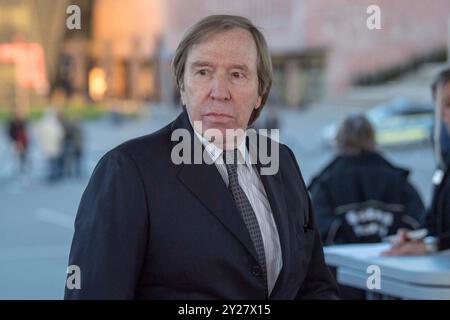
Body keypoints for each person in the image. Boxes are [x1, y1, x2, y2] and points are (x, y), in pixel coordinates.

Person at [65, 15, 338, 300]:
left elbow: (315, 284)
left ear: (260, 93)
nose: (219, 93)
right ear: (182, 87)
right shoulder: (127, 171)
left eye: (237, 74)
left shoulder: (281, 161)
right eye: (203, 72)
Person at [309, 114, 425, 299]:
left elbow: (315, 234)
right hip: (393, 282)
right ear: (372, 139)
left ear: (339, 141)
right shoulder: (398, 179)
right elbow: (419, 227)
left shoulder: (324, 184)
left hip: (341, 284)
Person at [384, 68, 450, 255]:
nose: (445, 115)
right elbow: (435, 221)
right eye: (442, 105)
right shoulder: (445, 163)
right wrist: (418, 236)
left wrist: (433, 245)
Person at [37, 108, 64, 182]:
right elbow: (60, 135)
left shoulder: (42, 123)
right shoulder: (55, 124)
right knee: (54, 162)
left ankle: (50, 175)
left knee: (49, 162)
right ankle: (54, 175)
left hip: (46, 146)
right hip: (55, 146)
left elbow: (39, 135)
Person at [7, 109, 29, 174]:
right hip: (16, 142)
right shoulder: (12, 124)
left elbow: (25, 133)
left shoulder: (22, 123)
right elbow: (10, 133)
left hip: (22, 142)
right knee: (16, 156)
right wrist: (14, 140)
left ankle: (22, 167)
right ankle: (17, 167)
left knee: (22, 155)